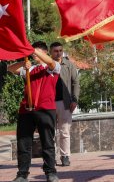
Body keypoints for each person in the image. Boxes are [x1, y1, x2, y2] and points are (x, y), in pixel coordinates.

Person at [8, 41, 60, 182]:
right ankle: (22, 174)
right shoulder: (29, 69)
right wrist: (22, 64)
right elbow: (10, 68)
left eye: (36, 52)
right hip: (26, 110)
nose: (33, 54)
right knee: (23, 143)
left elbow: (50, 61)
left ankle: (51, 172)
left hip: (46, 110)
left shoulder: (53, 67)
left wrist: (32, 50)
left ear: (43, 52)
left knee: (47, 142)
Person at [49, 42, 79, 168]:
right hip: (48, 103)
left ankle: (65, 156)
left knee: (64, 131)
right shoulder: (46, 65)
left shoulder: (69, 65)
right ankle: (50, 158)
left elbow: (76, 82)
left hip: (64, 103)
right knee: (50, 132)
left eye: (60, 50)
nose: (58, 53)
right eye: (55, 51)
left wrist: (74, 100)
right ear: (51, 52)